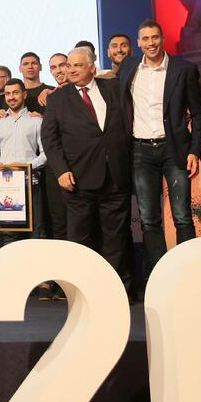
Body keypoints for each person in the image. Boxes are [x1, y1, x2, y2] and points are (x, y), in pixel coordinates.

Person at [119, 20, 201, 299]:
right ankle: (159, 280)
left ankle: (188, 277)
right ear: (139, 42)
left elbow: (198, 114)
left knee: (181, 216)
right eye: (145, 39)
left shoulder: (184, 69)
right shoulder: (129, 69)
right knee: (148, 219)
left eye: (155, 37)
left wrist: (195, 150)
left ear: (162, 39)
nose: (151, 43)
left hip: (174, 149)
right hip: (141, 151)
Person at [40, 47, 132, 292]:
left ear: (92, 68)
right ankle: (81, 290)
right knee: (80, 240)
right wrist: (60, 170)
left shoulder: (113, 89)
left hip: (115, 176)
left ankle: (116, 290)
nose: (70, 70)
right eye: (69, 65)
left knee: (116, 238)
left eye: (77, 65)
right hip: (77, 180)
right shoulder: (58, 98)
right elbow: (49, 139)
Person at [0, 79, 46, 248]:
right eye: (8, 93)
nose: (11, 97)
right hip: (6, 186)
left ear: (24, 94)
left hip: (31, 184)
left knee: (36, 235)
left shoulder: (36, 121)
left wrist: (26, 167)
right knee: (7, 236)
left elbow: (46, 153)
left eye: (15, 93)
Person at [40, 53, 70, 243]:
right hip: (55, 166)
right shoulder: (50, 96)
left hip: (81, 164)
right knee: (59, 222)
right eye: (53, 67)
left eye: (62, 65)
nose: (58, 71)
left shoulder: (86, 91)